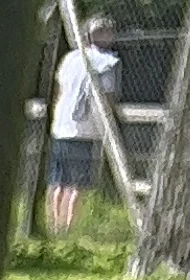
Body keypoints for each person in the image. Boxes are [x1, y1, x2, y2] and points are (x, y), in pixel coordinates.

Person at [47, 16, 118, 235]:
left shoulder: (69, 58)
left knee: (57, 180)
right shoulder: (107, 62)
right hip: (85, 129)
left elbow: (59, 90)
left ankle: (53, 225)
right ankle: (67, 228)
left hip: (62, 125)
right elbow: (106, 96)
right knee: (76, 183)